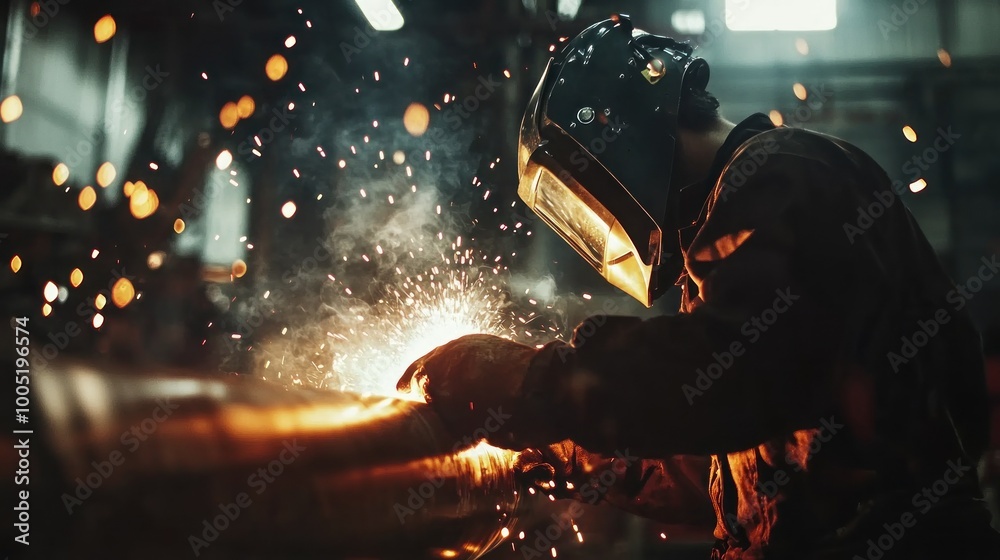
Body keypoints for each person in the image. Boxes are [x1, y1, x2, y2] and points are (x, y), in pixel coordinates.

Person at [397, 15, 1000, 559]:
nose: (604, 218)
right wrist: (564, 447)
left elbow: (730, 373)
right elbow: (714, 464)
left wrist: (532, 381)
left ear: (625, 136)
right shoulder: (743, 209)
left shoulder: (775, 176)